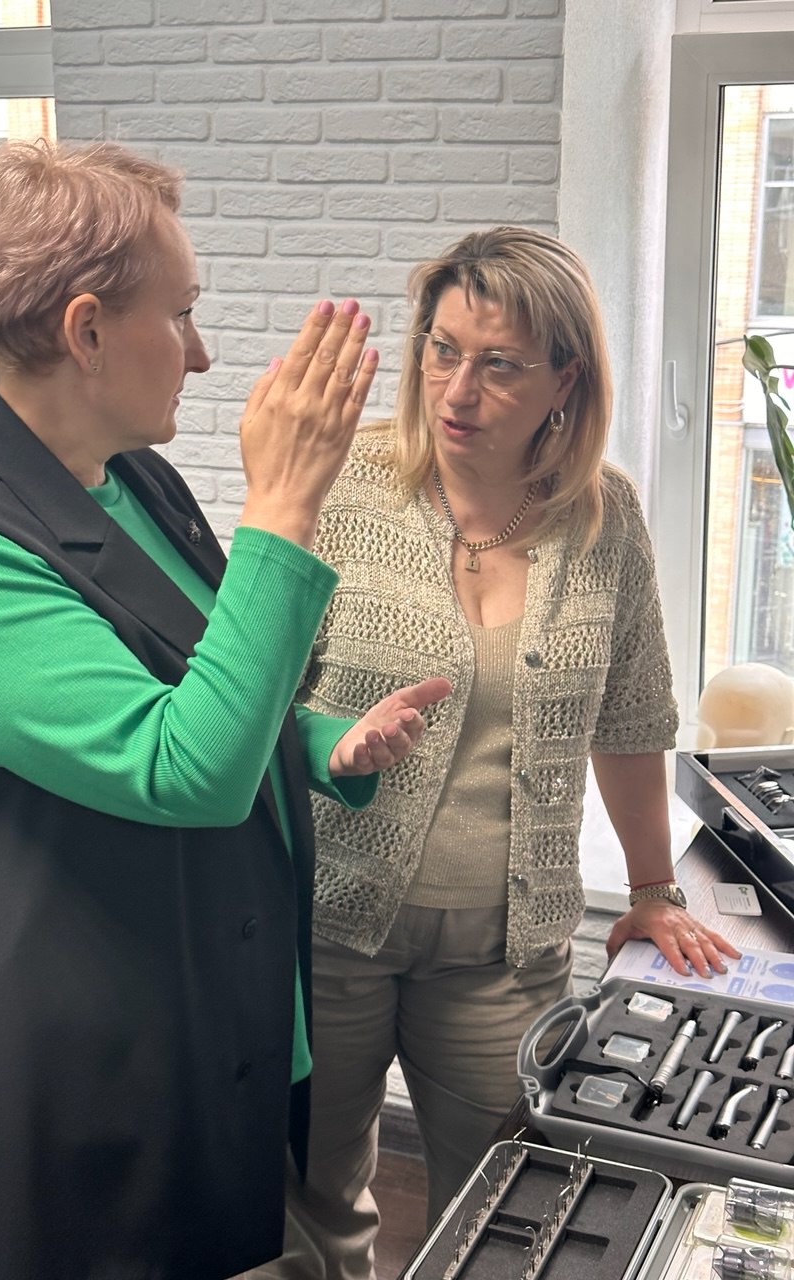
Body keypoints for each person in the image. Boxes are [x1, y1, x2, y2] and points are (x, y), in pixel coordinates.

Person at [0, 139, 451, 1280]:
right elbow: (184, 766)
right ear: (85, 332)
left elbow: (200, 689)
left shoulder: (133, 478)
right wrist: (285, 503)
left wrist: (320, 741)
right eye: (180, 315)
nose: (203, 350)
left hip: (191, 1015)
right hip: (68, 1080)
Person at [250, 226, 742, 1280]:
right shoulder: (342, 488)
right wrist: (338, 742)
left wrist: (652, 887)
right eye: (443, 349)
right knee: (309, 1198)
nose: (458, 389)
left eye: (500, 363)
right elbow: (242, 697)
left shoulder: (606, 518)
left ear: (566, 377)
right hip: (324, 926)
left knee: (503, 1209)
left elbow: (631, 717)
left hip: (503, 953)